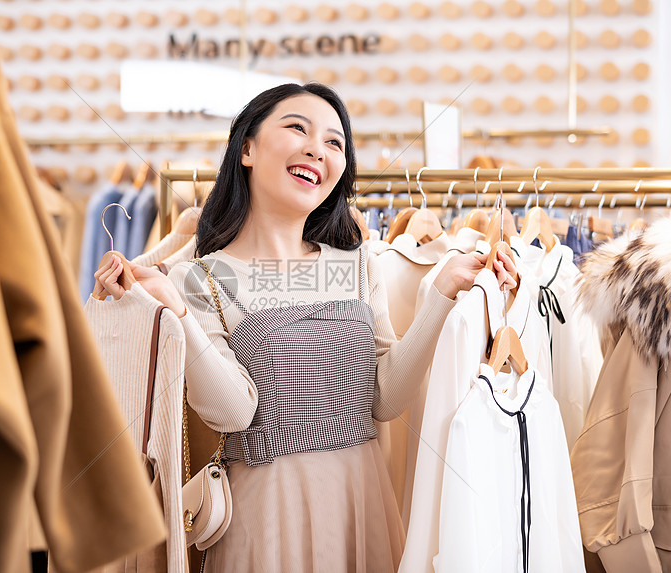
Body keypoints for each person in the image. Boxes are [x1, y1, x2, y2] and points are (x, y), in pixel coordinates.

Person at [93, 83, 517, 572]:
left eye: (335, 142)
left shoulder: (357, 265)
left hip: (362, 505)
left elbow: (385, 398)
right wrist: (177, 310)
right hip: (266, 515)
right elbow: (232, 413)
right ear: (247, 148)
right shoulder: (200, 277)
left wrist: (441, 292)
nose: (318, 148)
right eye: (298, 127)